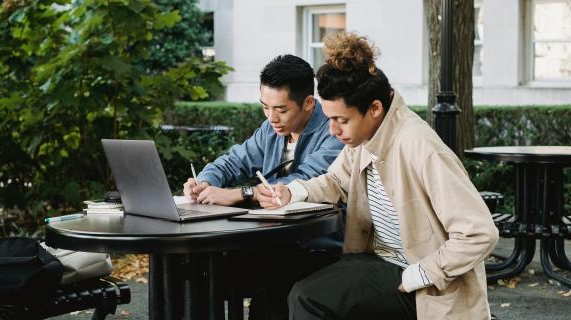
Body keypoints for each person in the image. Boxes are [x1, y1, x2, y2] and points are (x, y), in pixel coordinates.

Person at [257, 32, 499, 320]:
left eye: (341, 120)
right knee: (274, 283)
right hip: (375, 260)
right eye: (329, 118)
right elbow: (335, 181)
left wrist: (420, 274)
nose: (333, 130)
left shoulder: (420, 147)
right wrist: (291, 192)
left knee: (309, 298)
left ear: (374, 109)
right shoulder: (365, 136)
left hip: (419, 283)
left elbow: (480, 233)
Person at [183, 54, 344, 207]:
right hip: (270, 226)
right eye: (265, 107)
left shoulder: (335, 131)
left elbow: (305, 181)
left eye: (281, 110)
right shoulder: (270, 129)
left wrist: (243, 194)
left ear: (308, 103)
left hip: (318, 231)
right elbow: (234, 162)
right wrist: (204, 183)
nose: (271, 118)